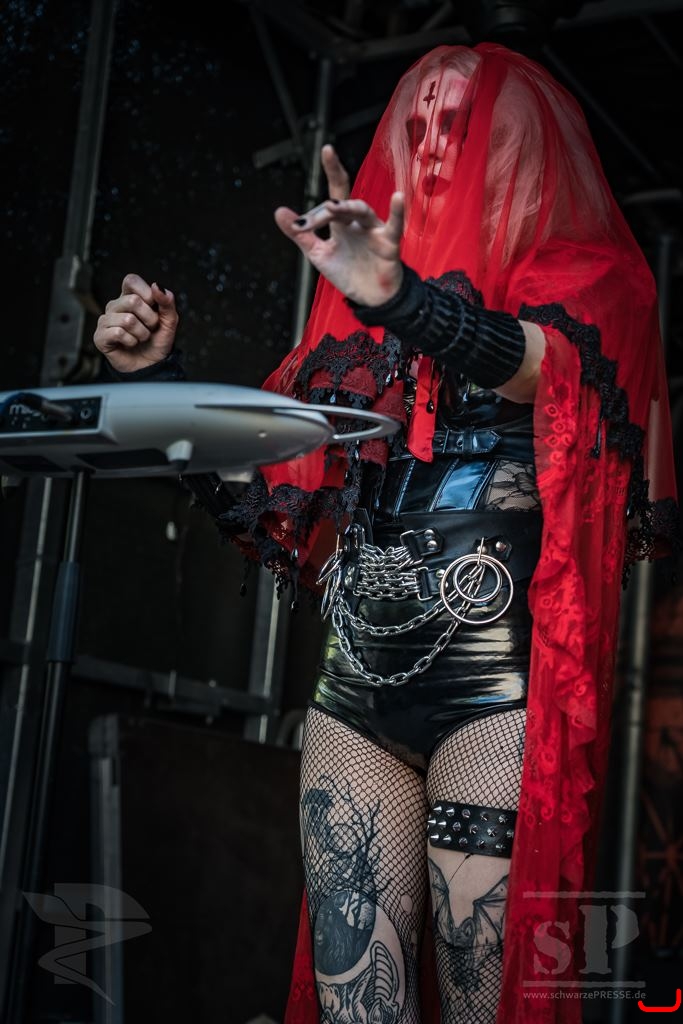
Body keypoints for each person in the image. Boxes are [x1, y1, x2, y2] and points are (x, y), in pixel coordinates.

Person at [93, 42, 678, 1024]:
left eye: (459, 122)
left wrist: (400, 299)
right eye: (417, 123)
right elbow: (275, 507)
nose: (433, 142)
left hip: (491, 693)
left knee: (484, 998)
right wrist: (160, 376)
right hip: (354, 690)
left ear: (519, 149)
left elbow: (546, 371)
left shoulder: (589, 277)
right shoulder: (351, 330)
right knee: (356, 1008)